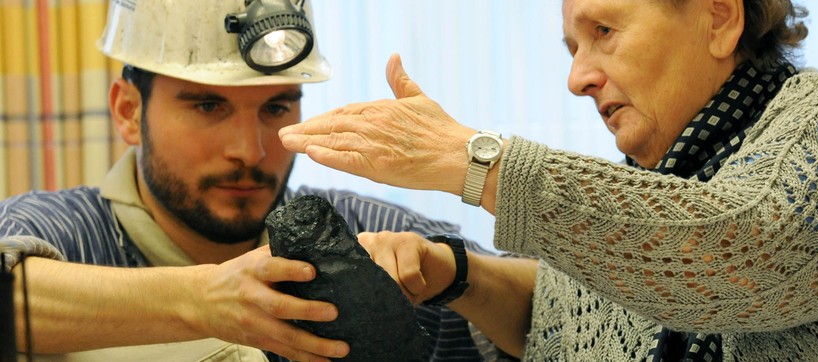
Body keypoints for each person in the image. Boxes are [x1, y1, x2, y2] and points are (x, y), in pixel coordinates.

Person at [279, 0, 818, 360]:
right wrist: (452, 271)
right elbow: (567, 314)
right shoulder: (641, 189)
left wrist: (472, 162)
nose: (577, 79)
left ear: (720, 17)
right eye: (572, 49)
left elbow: (739, 257)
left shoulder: (813, 125)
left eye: (603, 32)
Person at [0, 1, 513, 361]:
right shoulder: (64, 231)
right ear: (129, 112)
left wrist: (455, 271)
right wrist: (201, 301)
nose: (251, 150)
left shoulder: (359, 230)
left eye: (275, 108)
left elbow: (565, 306)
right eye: (208, 106)